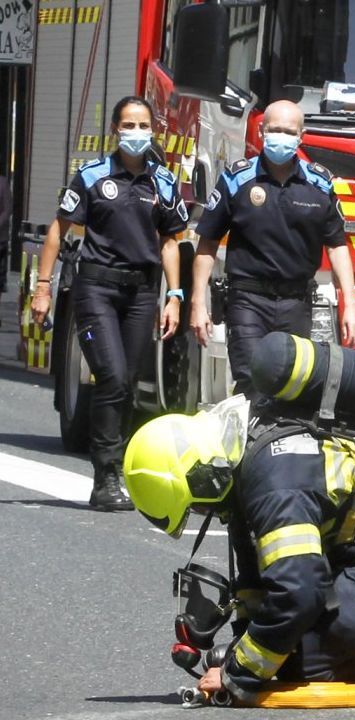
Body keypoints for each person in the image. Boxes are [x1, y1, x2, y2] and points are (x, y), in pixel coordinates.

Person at [120, 357, 355, 703]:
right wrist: (244, 643)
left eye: (197, 505)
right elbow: (255, 566)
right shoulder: (240, 454)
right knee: (283, 645)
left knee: (310, 662)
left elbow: (298, 594)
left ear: (201, 475)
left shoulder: (275, 485)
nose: (204, 512)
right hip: (352, 539)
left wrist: (237, 674)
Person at [31, 96, 186, 511]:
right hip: (96, 289)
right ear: (116, 129)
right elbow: (57, 232)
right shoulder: (93, 176)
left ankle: (121, 471)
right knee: (112, 377)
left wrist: (174, 295)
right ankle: (105, 476)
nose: (136, 132)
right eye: (128, 125)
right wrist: (43, 288)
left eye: (143, 125)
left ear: (154, 130)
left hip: (141, 294)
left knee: (130, 383)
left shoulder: (163, 183)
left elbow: (171, 242)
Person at [189, 100, 355, 401]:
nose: (281, 136)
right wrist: (197, 303)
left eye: (288, 131)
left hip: (296, 304)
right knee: (254, 382)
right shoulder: (237, 179)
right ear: (261, 130)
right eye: (275, 129)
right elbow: (207, 244)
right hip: (247, 301)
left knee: (290, 388)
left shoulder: (319, 185)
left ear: (301, 136)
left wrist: (351, 304)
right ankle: (250, 446)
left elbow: (336, 246)